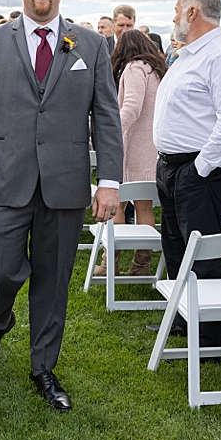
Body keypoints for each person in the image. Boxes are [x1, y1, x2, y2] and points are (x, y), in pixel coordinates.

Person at [0, 0, 123, 411]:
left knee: (53, 280)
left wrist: (108, 180)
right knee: (0, 268)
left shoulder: (88, 44)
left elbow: (106, 117)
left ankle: (43, 367)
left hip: (66, 183)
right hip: (6, 181)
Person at [152, 0, 221, 346]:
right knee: (176, 246)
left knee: (203, 251)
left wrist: (201, 168)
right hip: (172, 165)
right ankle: (185, 319)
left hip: (199, 169)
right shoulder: (189, 55)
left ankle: (212, 333)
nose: (173, 16)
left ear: (193, 12)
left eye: (176, 9)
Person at [93, 29, 166, 276]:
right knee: (144, 205)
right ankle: (140, 265)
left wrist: (109, 132)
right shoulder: (155, 69)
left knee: (117, 205)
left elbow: (131, 108)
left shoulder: (135, 68)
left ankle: (109, 264)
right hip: (151, 147)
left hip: (132, 146)